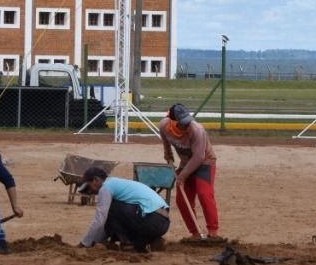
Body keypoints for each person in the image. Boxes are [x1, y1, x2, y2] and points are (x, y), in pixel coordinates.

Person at [159, 103, 219, 238]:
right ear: (172, 121)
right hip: (186, 163)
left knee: (204, 194)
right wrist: (167, 153)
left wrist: (182, 177)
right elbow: (165, 139)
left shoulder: (197, 130)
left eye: (187, 122)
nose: (186, 125)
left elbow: (199, 157)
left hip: (204, 163)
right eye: (182, 123)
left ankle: (213, 232)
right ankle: (195, 233)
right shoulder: (164, 125)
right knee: (182, 199)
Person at [77, 167, 171, 252]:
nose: (90, 192)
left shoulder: (106, 187)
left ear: (95, 180)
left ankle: (127, 244)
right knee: (137, 246)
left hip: (152, 219)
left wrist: (85, 243)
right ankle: (151, 240)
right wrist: (96, 242)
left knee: (112, 209)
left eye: (88, 187)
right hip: (162, 222)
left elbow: (99, 220)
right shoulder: (116, 183)